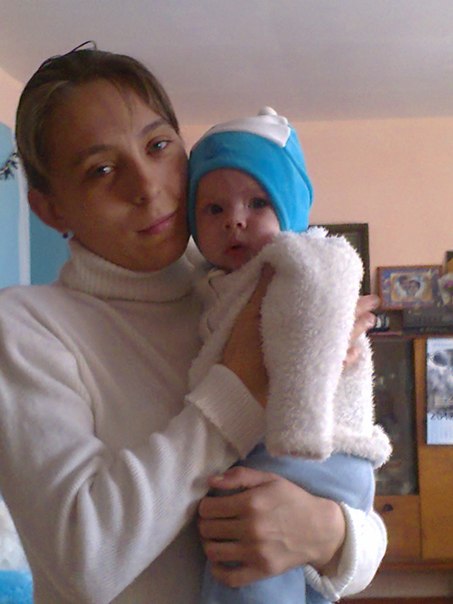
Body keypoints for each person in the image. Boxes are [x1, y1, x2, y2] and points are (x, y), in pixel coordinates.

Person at [0, 47, 386, 604]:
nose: (147, 185)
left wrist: (327, 532)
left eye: (159, 146)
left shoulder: (245, 292)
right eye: (101, 169)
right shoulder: (26, 328)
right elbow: (84, 562)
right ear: (50, 210)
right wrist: (240, 384)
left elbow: (361, 524)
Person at [187, 107, 391, 603]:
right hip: (288, 449)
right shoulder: (212, 283)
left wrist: (298, 428)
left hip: (312, 446)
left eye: (257, 202)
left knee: (240, 564)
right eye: (213, 209)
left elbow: (313, 337)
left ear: (291, 207)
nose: (234, 219)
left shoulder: (303, 261)